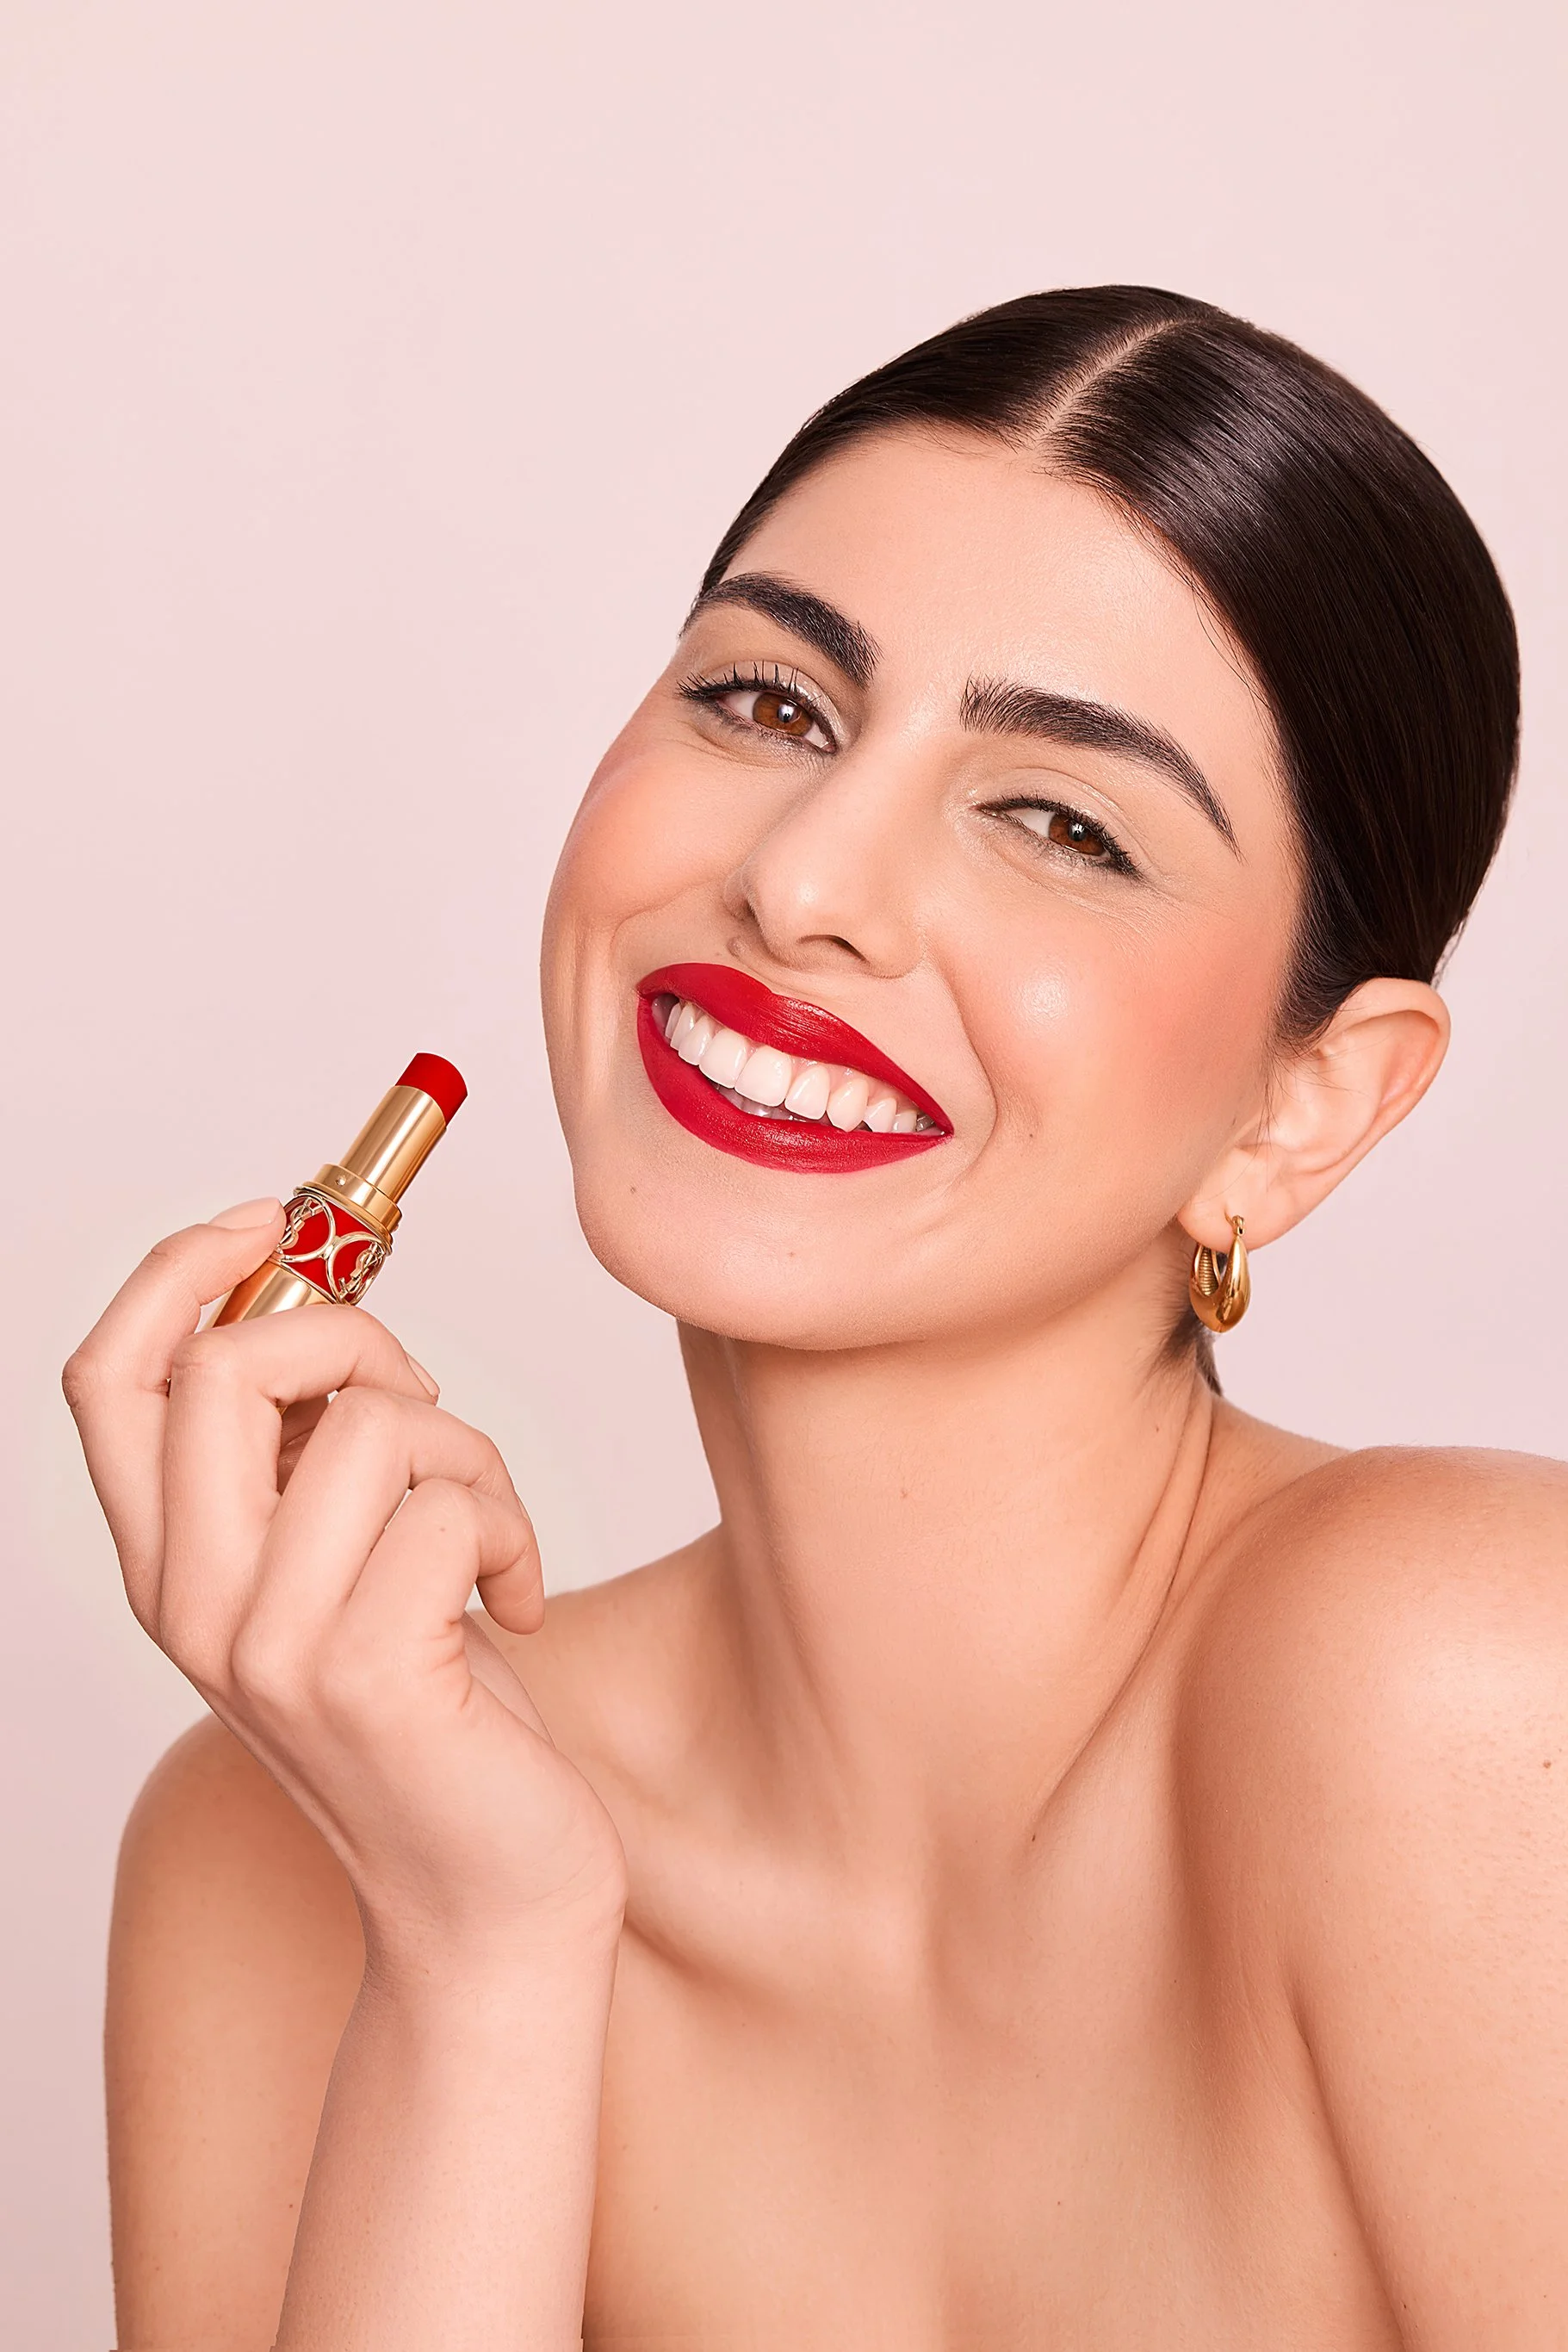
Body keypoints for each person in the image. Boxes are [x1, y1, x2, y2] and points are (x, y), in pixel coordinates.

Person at [65, 286, 1566, 2352]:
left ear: (1299, 1110)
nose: (803, 882)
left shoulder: (1471, 1686)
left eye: (1062, 823)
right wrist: (481, 1947)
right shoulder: (284, 1842)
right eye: (771, 703)